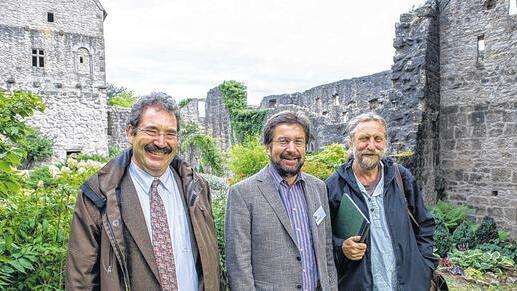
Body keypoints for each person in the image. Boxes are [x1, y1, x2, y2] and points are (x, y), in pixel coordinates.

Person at [66, 93, 220, 290]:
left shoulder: (197, 188)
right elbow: (81, 281)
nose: (161, 142)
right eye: (152, 131)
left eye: (170, 134)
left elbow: (211, 266)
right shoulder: (98, 195)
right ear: (131, 133)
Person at [225, 110, 337, 291]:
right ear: (268, 147)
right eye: (283, 141)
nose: (291, 149)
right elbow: (239, 265)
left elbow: (326, 250)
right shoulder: (243, 194)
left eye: (298, 142)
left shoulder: (319, 188)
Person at [326, 112, 438, 291]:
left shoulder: (400, 177)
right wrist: (342, 248)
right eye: (364, 138)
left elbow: (425, 224)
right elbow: (321, 239)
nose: (371, 146)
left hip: (408, 283)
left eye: (377, 139)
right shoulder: (334, 185)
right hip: (359, 285)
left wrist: (424, 267)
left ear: (385, 142)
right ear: (351, 142)